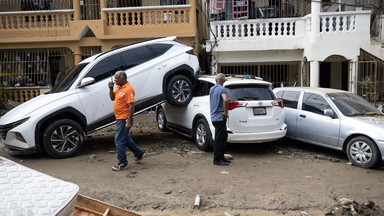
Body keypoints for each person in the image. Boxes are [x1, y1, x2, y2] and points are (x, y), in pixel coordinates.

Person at [108, 70, 146, 171]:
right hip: (119, 117)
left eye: (116, 78)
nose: (114, 80)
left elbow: (131, 106)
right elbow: (112, 98)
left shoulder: (128, 89)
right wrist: (110, 89)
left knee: (119, 140)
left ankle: (122, 163)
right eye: (114, 78)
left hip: (124, 118)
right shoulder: (118, 87)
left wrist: (128, 121)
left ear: (123, 78)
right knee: (125, 138)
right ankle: (139, 153)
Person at [209, 73, 230, 166]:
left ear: (215, 80)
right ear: (224, 81)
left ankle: (221, 157)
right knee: (219, 139)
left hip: (214, 117)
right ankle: (217, 159)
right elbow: (225, 100)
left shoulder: (212, 89)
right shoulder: (222, 89)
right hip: (220, 117)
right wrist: (226, 112)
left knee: (223, 136)